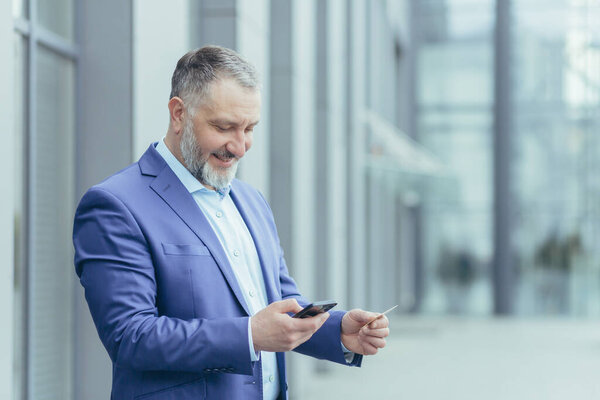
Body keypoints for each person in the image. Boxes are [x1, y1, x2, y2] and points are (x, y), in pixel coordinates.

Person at [73, 45, 390, 400]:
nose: (240, 146)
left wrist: (337, 331)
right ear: (178, 114)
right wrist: (249, 335)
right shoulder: (115, 205)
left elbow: (280, 300)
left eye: (250, 128)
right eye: (225, 127)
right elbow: (131, 337)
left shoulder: (251, 201)